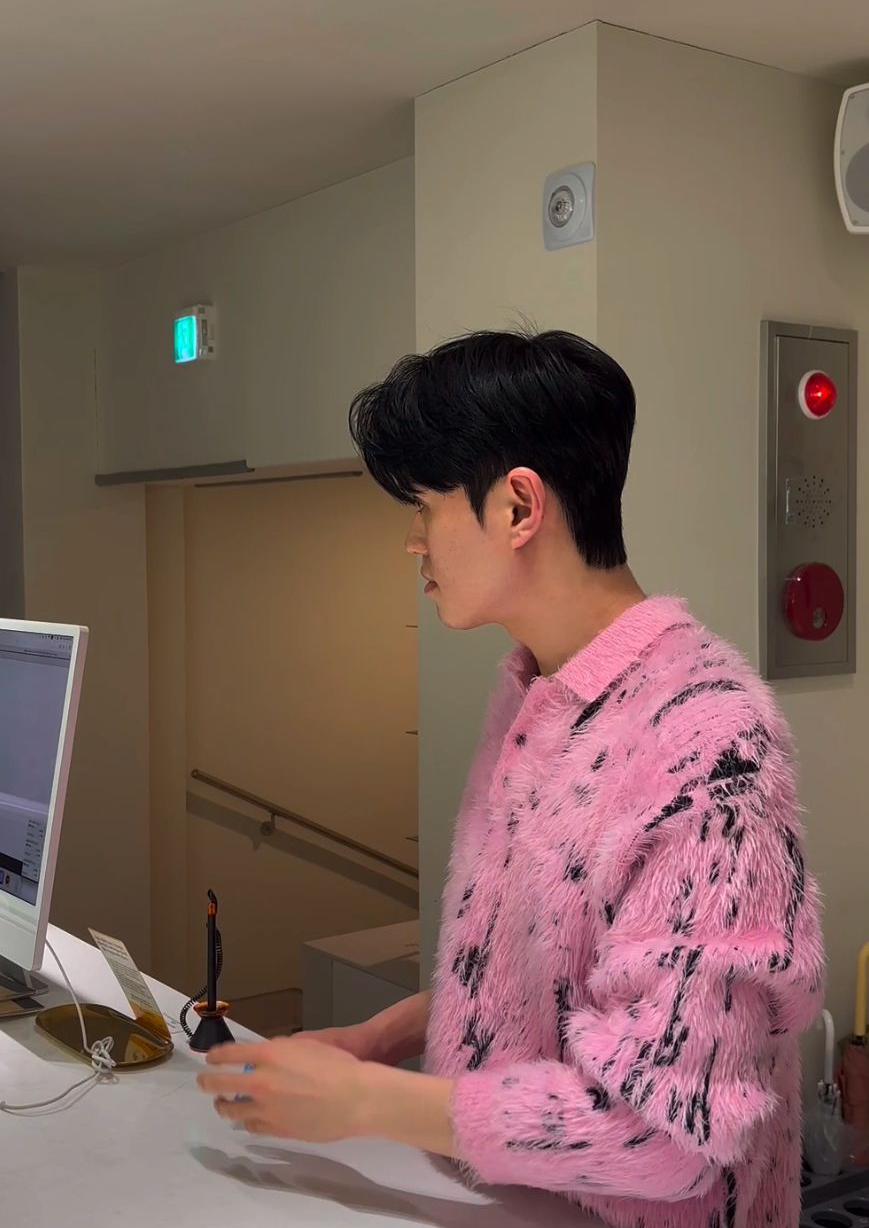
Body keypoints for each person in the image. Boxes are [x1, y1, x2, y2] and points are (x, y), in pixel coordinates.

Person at [199, 329, 824, 1227]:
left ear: (518, 506)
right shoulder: (534, 690)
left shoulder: (707, 741)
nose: (411, 542)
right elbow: (537, 969)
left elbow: (669, 1132)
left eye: (423, 506)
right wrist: (381, 1040)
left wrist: (368, 1102)